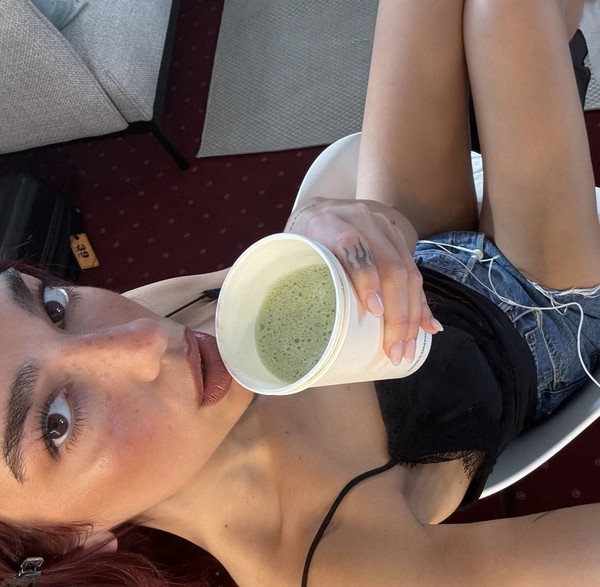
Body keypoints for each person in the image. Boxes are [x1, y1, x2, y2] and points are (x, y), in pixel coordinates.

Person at [0, 0, 599, 585]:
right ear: (71, 544)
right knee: (508, 14)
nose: (142, 339)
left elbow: (308, 259)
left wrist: (314, 223)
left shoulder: (128, 323)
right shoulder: (331, 561)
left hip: (421, 257)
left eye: (52, 305)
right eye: (56, 423)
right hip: (537, 317)